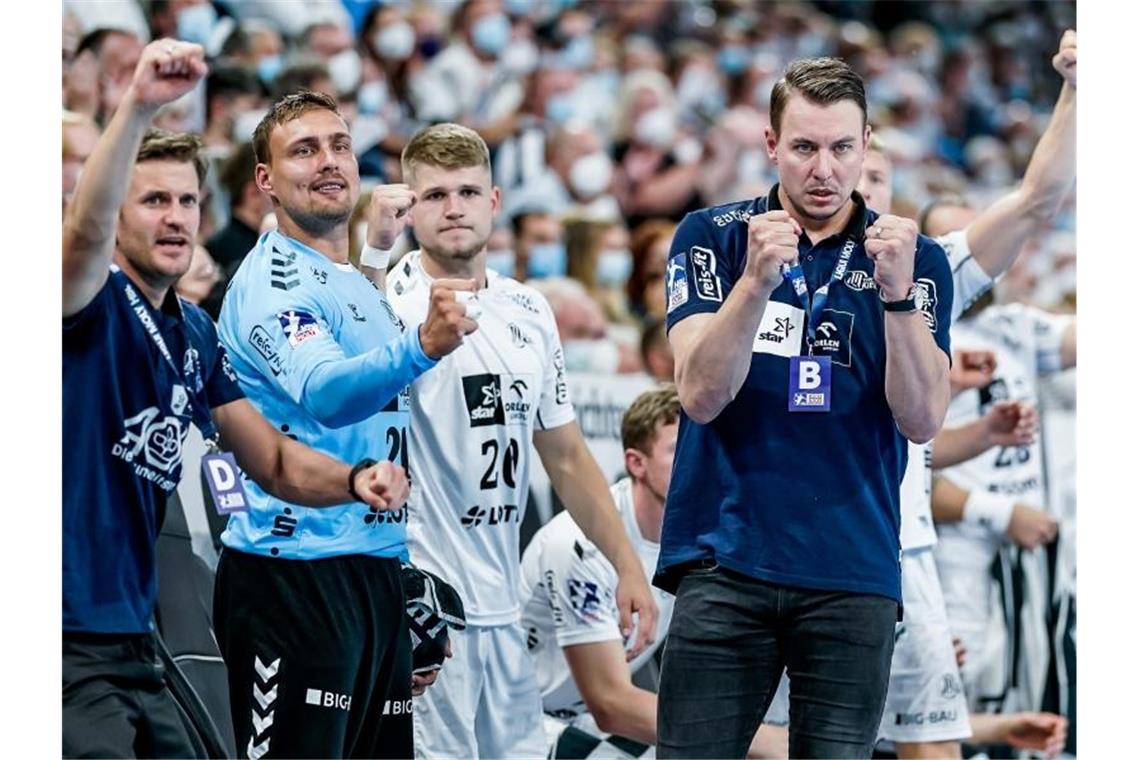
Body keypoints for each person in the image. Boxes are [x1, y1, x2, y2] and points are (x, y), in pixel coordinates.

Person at [63, 40, 410, 759]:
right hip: (62, 637)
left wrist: (353, 481)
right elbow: (84, 234)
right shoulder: (85, 303)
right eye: (153, 200)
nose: (177, 218)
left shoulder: (193, 329)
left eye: (188, 200)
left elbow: (274, 461)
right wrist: (137, 105)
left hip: (136, 639)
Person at [655, 56, 954, 758]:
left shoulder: (916, 258)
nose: (824, 169)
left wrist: (898, 296)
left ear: (868, 144)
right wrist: (755, 284)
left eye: (843, 148)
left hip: (851, 573)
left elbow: (922, 419)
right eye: (805, 147)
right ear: (771, 145)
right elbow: (699, 396)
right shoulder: (712, 236)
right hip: (723, 563)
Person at [375, 121, 658, 759]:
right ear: (410, 208)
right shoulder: (387, 303)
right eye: (436, 194)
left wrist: (627, 564)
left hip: (503, 600)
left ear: (495, 203)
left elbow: (565, 454)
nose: (454, 208)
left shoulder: (530, 309)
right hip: (426, 599)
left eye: (469, 192)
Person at [213, 91, 474, 758]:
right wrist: (423, 343)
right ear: (266, 181)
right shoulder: (271, 282)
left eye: (338, 145)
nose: (328, 161)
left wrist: (377, 254)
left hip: (371, 570)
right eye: (304, 150)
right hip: (294, 577)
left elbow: (349, 341)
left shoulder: (344, 276)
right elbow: (327, 392)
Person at [853, 29, 1076, 759]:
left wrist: (1078, 89)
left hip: (908, 554)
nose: (862, 189)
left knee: (933, 745)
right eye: (851, 171)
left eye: (878, 178)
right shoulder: (763, 268)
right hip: (807, 555)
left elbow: (1037, 199)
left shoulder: (931, 273)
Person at [520, 385, 789, 759]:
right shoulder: (580, 543)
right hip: (521, 720)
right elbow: (611, 702)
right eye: (678, 450)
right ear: (636, 463)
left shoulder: (707, 535)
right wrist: (759, 740)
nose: (699, 464)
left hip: (582, 720)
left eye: (705, 450)